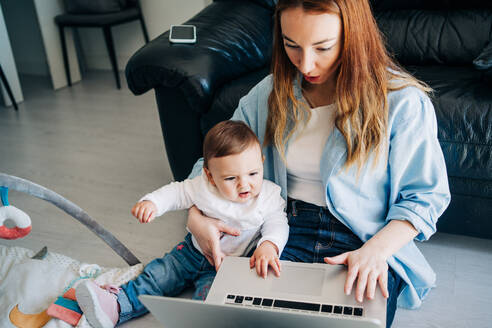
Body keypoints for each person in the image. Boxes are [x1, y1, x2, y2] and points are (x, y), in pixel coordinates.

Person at [185, 1, 451, 327]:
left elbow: (425, 198)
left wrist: (376, 252)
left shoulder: (402, 103)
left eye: (323, 47)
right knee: (238, 317)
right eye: (291, 45)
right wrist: (196, 216)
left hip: (364, 236)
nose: (306, 64)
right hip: (281, 229)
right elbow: (209, 166)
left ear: (354, 36)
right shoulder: (268, 94)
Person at [75, 120, 289, 328]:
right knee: (158, 275)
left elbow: (277, 222)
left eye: (253, 173)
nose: (244, 184)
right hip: (190, 253)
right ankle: (118, 305)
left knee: (211, 299)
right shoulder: (203, 186)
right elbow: (176, 192)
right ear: (210, 176)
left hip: (225, 268)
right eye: (231, 178)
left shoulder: (268, 195)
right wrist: (153, 203)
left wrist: (269, 245)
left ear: (261, 162)